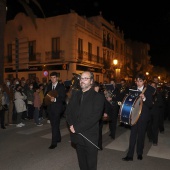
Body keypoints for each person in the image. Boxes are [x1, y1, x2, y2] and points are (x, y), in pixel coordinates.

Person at [65, 71, 105, 170]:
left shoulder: (98, 97)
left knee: (91, 165)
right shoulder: (75, 94)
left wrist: (77, 127)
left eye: (85, 78)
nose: (82, 81)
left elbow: (94, 117)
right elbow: (68, 112)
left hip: (89, 137)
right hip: (77, 135)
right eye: (81, 78)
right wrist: (71, 125)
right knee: (82, 164)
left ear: (91, 81)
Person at [122, 73, 153, 161]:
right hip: (134, 115)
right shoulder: (132, 90)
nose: (138, 83)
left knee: (141, 136)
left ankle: (139, 153)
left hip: (143, 116)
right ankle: (130, 155)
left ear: (144, 82)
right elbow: (129, 101)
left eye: (140, 81)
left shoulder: (148, 91)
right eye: (137, 81)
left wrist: (144, 98)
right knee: (132, 135)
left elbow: (150, 105)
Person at [44, 72, 66, 149]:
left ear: (57, 78)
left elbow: (63, 98)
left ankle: (54, 143)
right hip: (50, 108)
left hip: (57, 108)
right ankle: (58, 138)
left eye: (54, 77)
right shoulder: (49, 86)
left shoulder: (61, 87)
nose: (52, 79)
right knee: (54, 124)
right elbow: (46, 95)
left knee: (54, 125)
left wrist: (55, 99)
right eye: (51, 77)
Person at [147, 81, 164, 146]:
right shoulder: (148, 93)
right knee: (148, 126)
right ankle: (150, 137)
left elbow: (161, 103)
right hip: (149, 112)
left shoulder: (158, 93)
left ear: (156, 87)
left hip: (156, 112)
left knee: (155, 126)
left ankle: (155, 141)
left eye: (154, 86)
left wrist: (154, 103)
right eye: (152, 85)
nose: (153, 87)